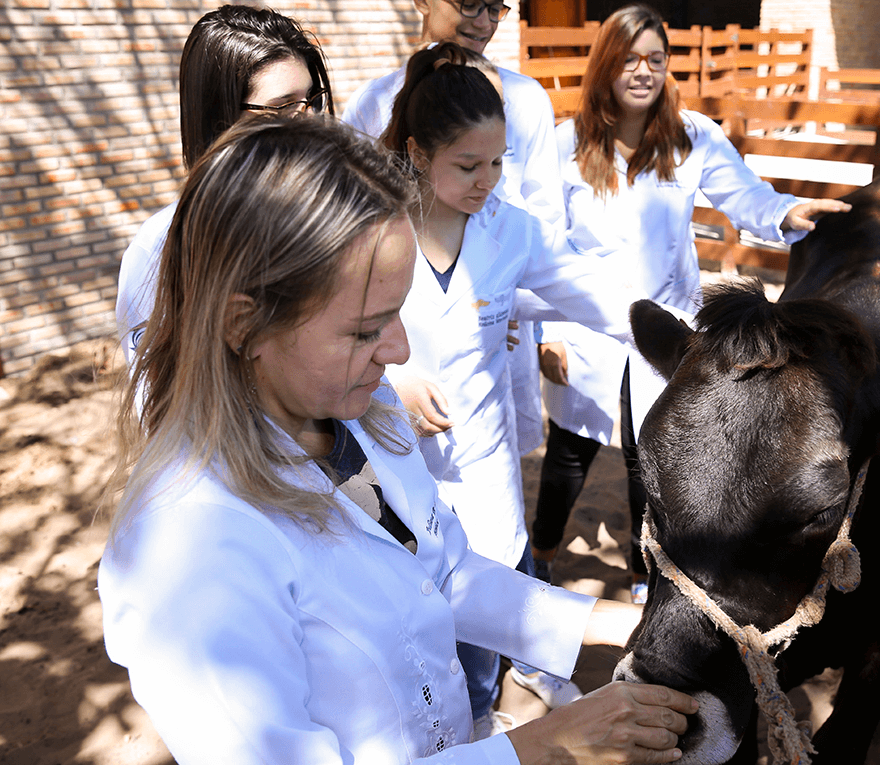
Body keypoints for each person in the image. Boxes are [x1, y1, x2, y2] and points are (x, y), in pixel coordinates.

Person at [98, 113, 697, 765]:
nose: (401, 350)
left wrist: (612, 625)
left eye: (398, 313)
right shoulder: (191, 547)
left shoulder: (350, 411)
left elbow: (439, 571)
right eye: (364, 329)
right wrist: (540, 747)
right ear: (245, 325)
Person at [529, 4, 851, 601]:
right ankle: (541, 558)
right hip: (586, 328)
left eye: (656, 59)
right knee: (568, 454)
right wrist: (546, 332)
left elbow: (743, 193)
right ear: (607, 64)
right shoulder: (564, 144)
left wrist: (784, 212)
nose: (643, 71)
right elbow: (541, 245)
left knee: (648, 459)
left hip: (666, 329)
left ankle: (640, 576)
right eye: (630, 59)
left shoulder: (691, 135)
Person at [381, 42, 650, 735]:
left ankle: (486, 716)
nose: (487, 181)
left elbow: (592, 292)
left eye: (498, 163)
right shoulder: (370, 226)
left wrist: (681, 337)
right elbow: (324, 326)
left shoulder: (509, 230)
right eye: (468, 166)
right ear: (415, 152)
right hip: (389, 465)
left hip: (483, 460)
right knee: (413, 628)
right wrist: (391, 377)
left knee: (488, 610)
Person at [342, 0, 555, 467]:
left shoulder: (527, 98)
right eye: (469, 3)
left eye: (496, 8)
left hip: (497, 327)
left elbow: (546, 220)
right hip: (399, 338)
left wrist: (512, 302)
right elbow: (347, 234)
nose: (483, 21)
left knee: (493, 477)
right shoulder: (372, 102)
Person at [115, 4, 333, 366]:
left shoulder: (329, 211)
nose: (310, 123)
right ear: (221, 119)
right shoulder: (160, 250)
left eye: (312, 101)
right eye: (283, 109)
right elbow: (158, 404)